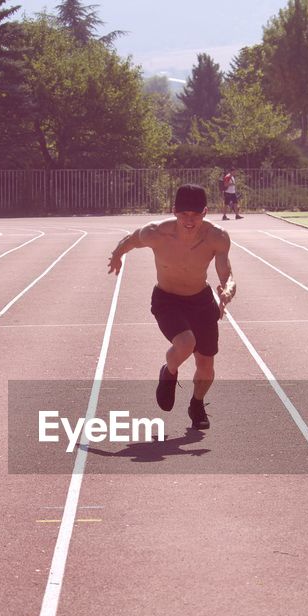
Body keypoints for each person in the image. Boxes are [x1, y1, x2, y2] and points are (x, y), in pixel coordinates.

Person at [107, 184, 237, 431]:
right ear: (174, 211)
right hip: (167, 300)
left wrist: (228, 289)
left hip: (201, 300)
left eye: (196, 215)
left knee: (206, 365)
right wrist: (116, 255)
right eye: (184, 214)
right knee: (186, 343)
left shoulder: (217, 237)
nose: (190, 220)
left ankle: (196, 404)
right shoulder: (156, 232)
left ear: (205, 212)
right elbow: (131, 239)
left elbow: (226, 273)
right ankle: (169, 371)